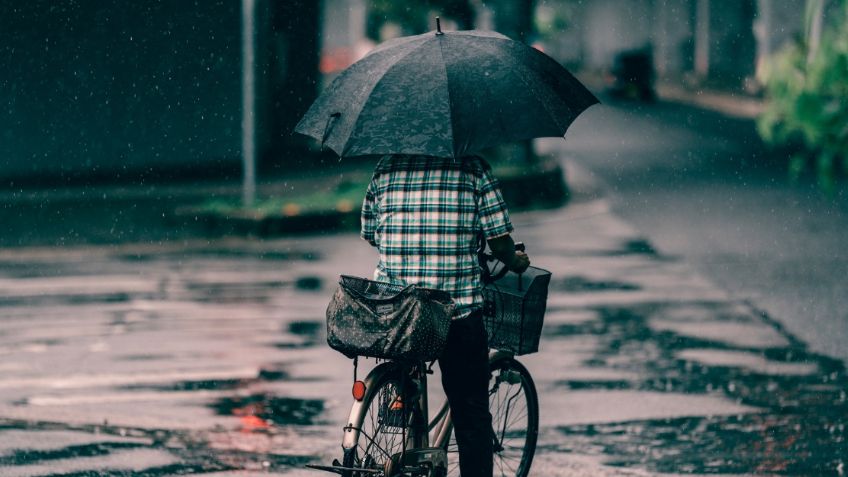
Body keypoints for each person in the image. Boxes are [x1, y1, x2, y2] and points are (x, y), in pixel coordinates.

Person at [361, 153, 530, 477]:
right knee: (472, 415)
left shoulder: (386, 168)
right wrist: (516, 261)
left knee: (408, 364)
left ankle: (400, 401)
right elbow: (498, 243)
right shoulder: (473, 169)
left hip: (397, 311)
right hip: (456, 313)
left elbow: (371, 233)